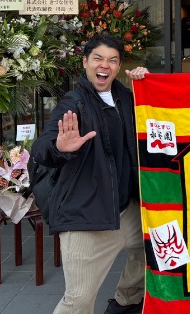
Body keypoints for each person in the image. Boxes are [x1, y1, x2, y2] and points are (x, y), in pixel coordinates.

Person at [31, 33, 148, 314]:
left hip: (126, 211)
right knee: (79, 300)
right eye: (98, 58)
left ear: (119, 66)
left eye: (112, 60)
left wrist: (148, 84)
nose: (104, 65)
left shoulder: (125, 97)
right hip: (87, 215)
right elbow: (41, 147)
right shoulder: (74, 102)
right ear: (85, 62)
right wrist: (60, 146)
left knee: (155, 254)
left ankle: (125, 304)